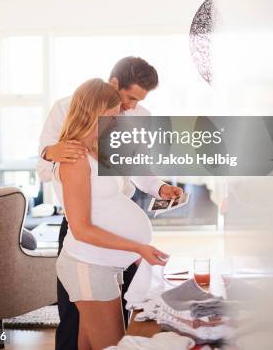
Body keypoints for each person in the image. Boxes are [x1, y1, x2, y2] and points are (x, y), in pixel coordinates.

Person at [36, 57, 182, 350]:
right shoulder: (67, 113)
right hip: (88, 244)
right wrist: (52, 151)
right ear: (113, 85)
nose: (129, 110)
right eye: (127, 99)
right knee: (83, 325)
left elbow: (137, 167)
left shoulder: (134, 118)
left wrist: (161, 187)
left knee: (105, 331)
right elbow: (46, 167)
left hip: (110, 249)